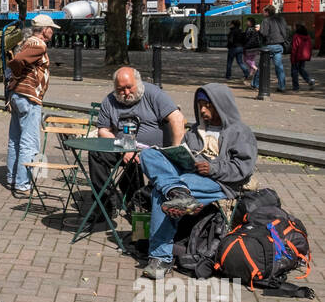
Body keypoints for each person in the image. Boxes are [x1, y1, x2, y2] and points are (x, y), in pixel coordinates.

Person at [138, 83, 256, 279]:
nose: (202, 109)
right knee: (148, 154)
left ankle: (161, 257)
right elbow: (183, 155)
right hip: (189, 176)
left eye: (208, 105)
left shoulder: (240, 132)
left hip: (220, 183)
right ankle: (179, 192)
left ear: (221, 105)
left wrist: (213, 168)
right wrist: (176, 157)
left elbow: (242, 169)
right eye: (200, 104)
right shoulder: (194, 131)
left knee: (162, 191)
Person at [89, 68, 185, 216]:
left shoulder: (153, 93)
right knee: (96, 153)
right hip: (122, 147)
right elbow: (103, 131)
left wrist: (175, 150)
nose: (126, 93)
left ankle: (141, 200)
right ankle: (105, 203)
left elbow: (177, 118)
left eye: (129, 87)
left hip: (153, 150)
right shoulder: (109, 101)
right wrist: (124, 148)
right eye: (121, 89)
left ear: (138, 83)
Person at [6, 15, 54, 198]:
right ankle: (22, 185)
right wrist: (15, 68)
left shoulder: (27, 42)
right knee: (29, 142)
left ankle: (12, 178)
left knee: (15, 140)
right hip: (29, 97)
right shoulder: (38, 45)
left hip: (17, 94)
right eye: (51, 28)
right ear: (44, 30)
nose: (53, 31)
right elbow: (18, 62)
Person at [252, 5, 289, 92]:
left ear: (267, 12)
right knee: (279, 67)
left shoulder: (266, 21)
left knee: (262, 66)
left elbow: (264, 33)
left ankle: (255, 84)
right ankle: (282, 86)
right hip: (279, 45)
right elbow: (286, 31)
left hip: (269, 46)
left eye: (263, 11)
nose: (262, 13)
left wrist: (258, 30)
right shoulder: (281, 19)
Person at [290, 22, 315, 91]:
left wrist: (292, 59)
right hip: (303, 56)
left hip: (297, 57)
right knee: (301, 69)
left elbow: (294, 48)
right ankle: (309, 81)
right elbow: (310, 47)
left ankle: (296, 87)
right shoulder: (308, 36)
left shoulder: (296, 36)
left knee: (294, 71)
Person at [242, 17, 263, 84]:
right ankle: (250, 77)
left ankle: (255, 68)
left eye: (247, 21)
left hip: (249, 47)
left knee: (246, 60)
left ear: (250, 22)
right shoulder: (255, 29)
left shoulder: (249, 29)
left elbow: (246, 38)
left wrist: (244, 46)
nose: (246, 23)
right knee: (252, 60)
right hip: (256, 47)